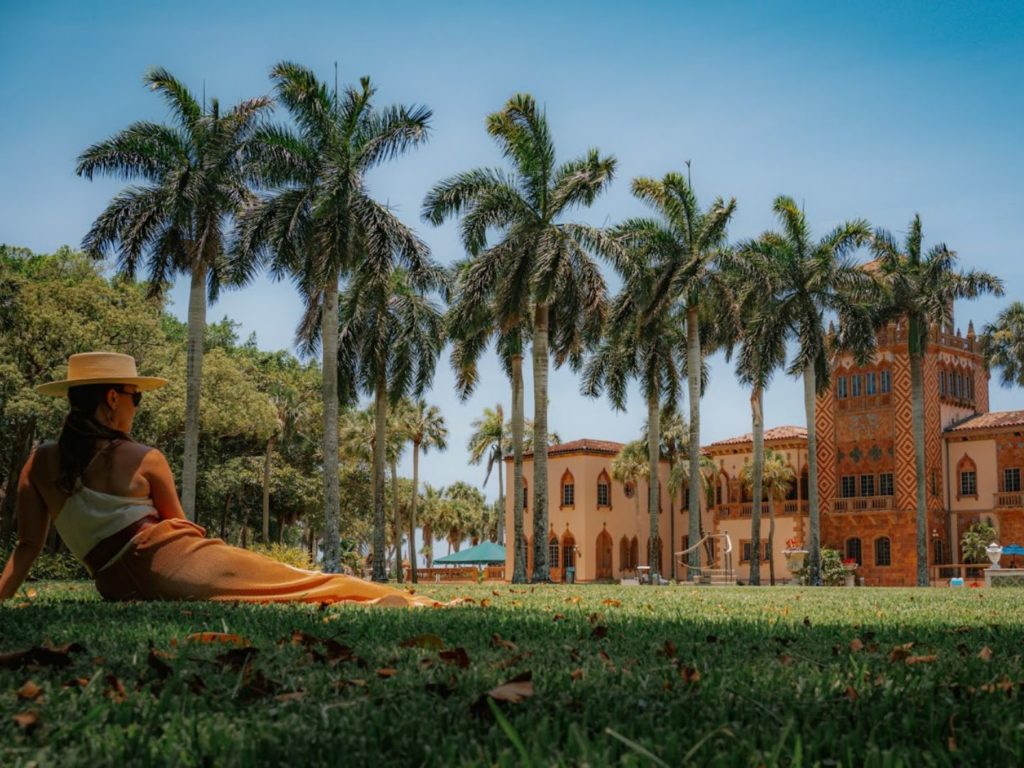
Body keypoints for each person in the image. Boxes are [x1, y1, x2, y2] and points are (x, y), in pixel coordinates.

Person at [0, 352, 437, 607]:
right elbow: (182, 528)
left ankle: (386, 598)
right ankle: (414, 602)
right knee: (294, 578)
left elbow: (27, 547)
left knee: (281, 584)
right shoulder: (143, 459)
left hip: (115, 587)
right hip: (178, 564)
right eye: (136, 398)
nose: (137, 407)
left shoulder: (39, 463)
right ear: (112, 398)